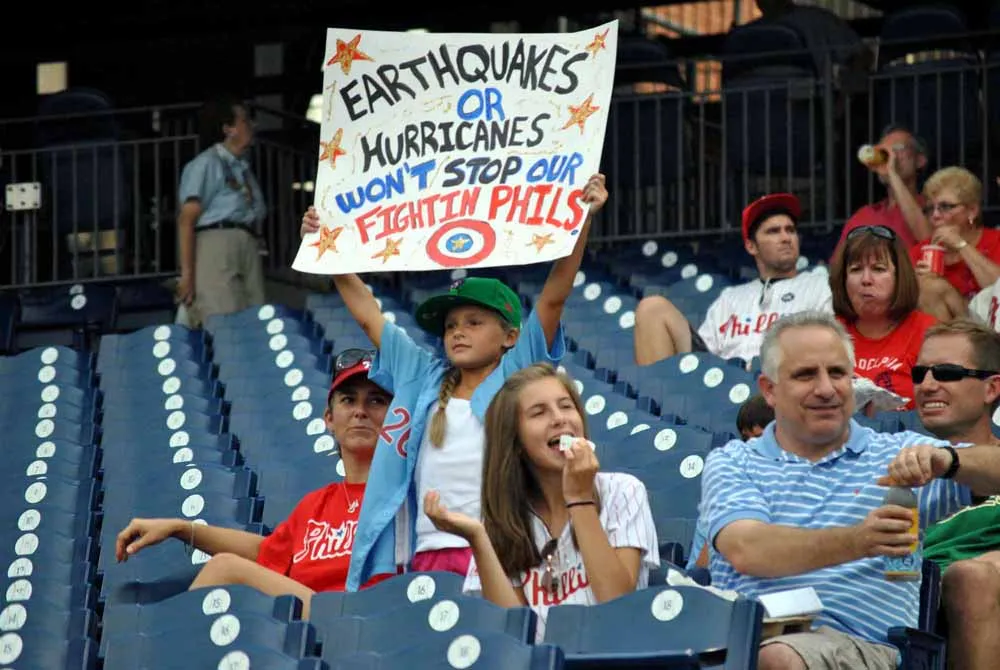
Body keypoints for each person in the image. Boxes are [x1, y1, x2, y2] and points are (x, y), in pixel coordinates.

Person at [300, 174, 609, 591]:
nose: (458, 332)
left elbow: (554, 296)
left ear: (510, 336)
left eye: (474, 323)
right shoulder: (422, 375)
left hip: (502, 548)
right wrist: (325, 245)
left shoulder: (517, 373)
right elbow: (368, 315)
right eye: (450, 326)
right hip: (426, 552)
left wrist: (583, 219)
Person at [701, 310, 1000, 670]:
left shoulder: (898, 456)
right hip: (740, 639)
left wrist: (951, 461)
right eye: (806, 375)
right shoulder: (733, 461)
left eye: (838, 373)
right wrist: (859, 540)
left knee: (777, 658)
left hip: (855, 645)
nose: (826, 389)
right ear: (770, 390)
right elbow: (748, 550)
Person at [113, 349, 395, 618]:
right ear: (329, 419)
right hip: (307, 630)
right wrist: (181, 528)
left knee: (225, 568)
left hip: (367, 621)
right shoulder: (315, 506)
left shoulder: (405, 497)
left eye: (376, 401)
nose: (360, 411)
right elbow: (267, 553)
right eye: (348, 400)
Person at [421, 362, 659, 640]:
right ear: (516, 442)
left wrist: (580, 499)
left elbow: (617, 608)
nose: (559, 419)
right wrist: (478, 538)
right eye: (539, 412)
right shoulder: (504, 519)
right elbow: (514, 635)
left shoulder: (623, 491)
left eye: (566, 406)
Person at [633, 192, 831, 366]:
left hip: (784, 381)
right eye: (773, 231)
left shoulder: (821, 286)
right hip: (727, 385)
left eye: (790, 230)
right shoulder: (730, 298)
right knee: (652, 308)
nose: (786, 238)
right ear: (751, 246)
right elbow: (705, 357)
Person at [909, 319, 1000, 670]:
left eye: (947, 373)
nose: (928, 385)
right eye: (920, 374)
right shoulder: (896, 466)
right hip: (913, 594)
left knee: (972, 577)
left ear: (992, 389)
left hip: (979, 586)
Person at [176, 95, 267, 326]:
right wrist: (187, 276)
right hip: (217, 243)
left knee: (256, 321)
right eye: (245, 120)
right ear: (229, 129)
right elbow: (187, 220)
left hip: (248, 243)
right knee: (225, 322)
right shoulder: (206, 163)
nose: (253, 125)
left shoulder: (243, 168)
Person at [829, 225, 937, 409]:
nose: (866, 279)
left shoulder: (929, 332)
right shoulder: (827, 334)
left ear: (899, 276)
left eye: (878, 269)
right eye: (855, 269)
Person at [909, 167, 1000, 322]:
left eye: (945, 207)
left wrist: (961, 245)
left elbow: (998, 291)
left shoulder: (995, 240)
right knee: (928, 286)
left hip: (991, 327)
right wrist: (913, 284)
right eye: (930, 208)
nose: (935, 215)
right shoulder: (920, 251)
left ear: (972, 211)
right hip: (948, 330)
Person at [835, 125, 930, 252]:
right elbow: (839, 261)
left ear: (920, 160)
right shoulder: (864, 215)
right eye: (884, 150)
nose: (890, 155)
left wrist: (892, 174)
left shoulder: (933, 208)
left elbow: (928, 240)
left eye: (897, 148)